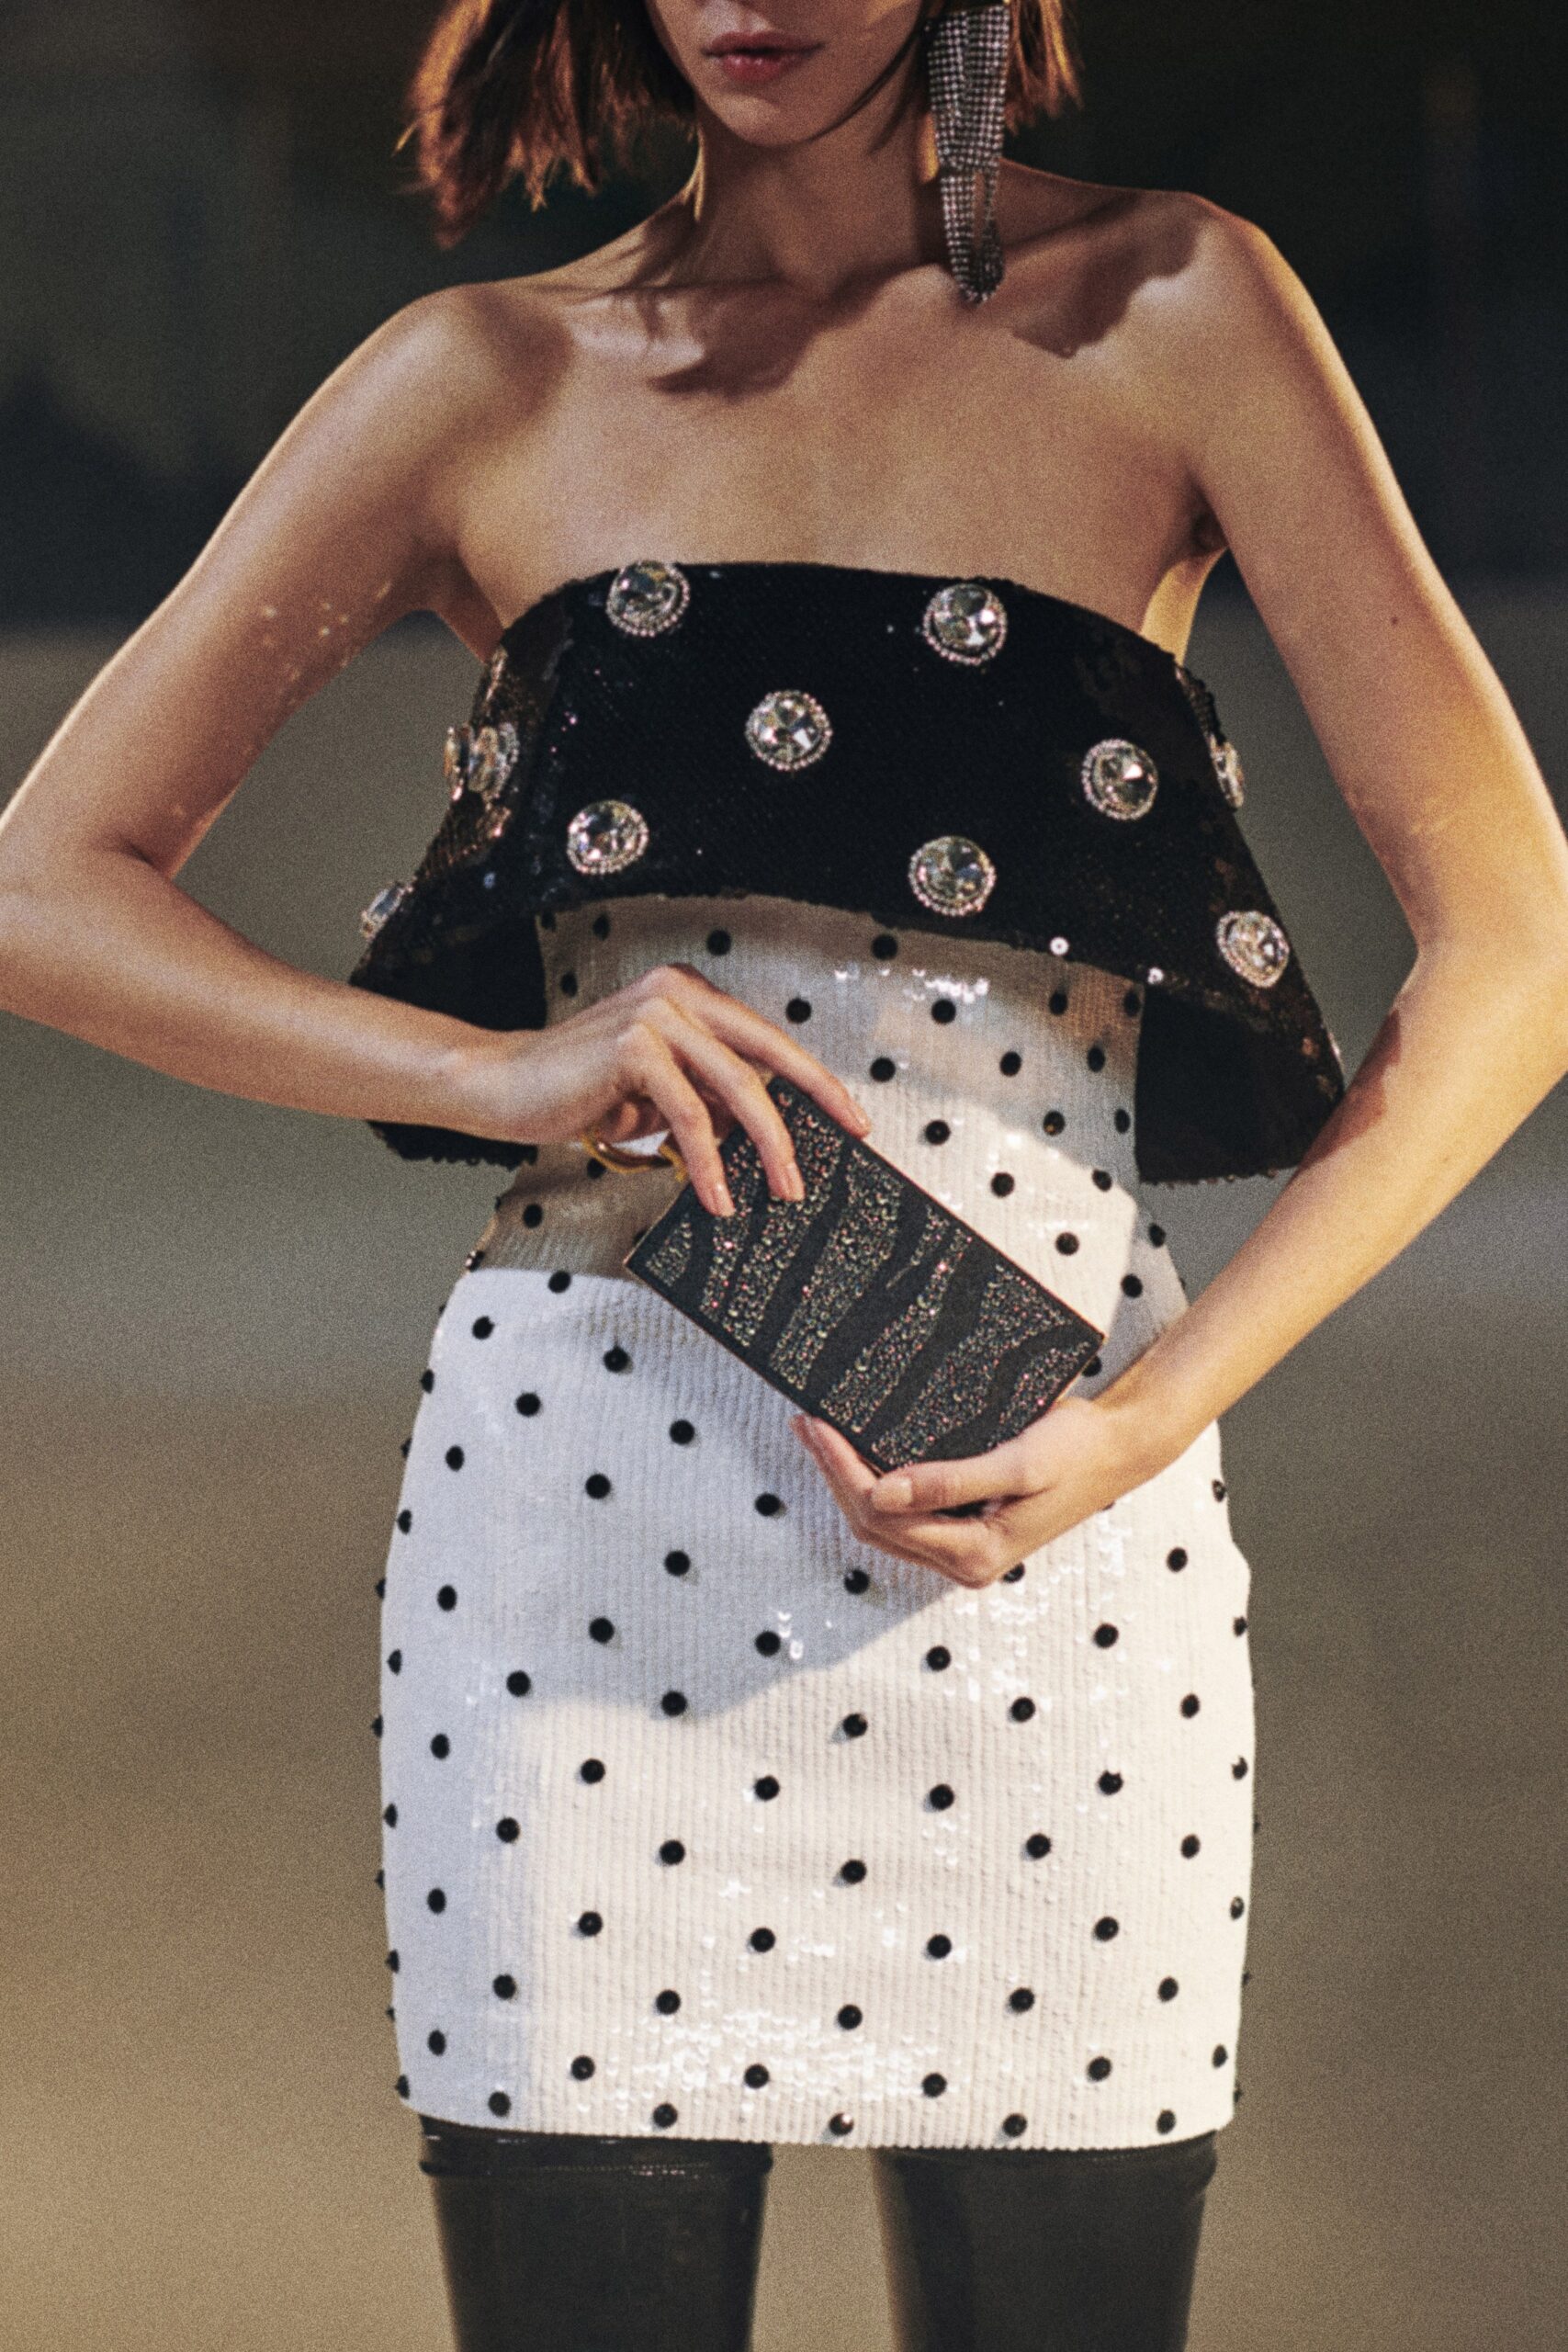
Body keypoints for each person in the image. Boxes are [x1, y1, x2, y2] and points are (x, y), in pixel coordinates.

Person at [3, 2, 1566, 2346]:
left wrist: (1157, 1411)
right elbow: (43, 884)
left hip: (1049, 1506)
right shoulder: (490, 374)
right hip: (572, 1550)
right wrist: (493, 1064)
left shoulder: (1174, 308)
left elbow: (1516, 941)